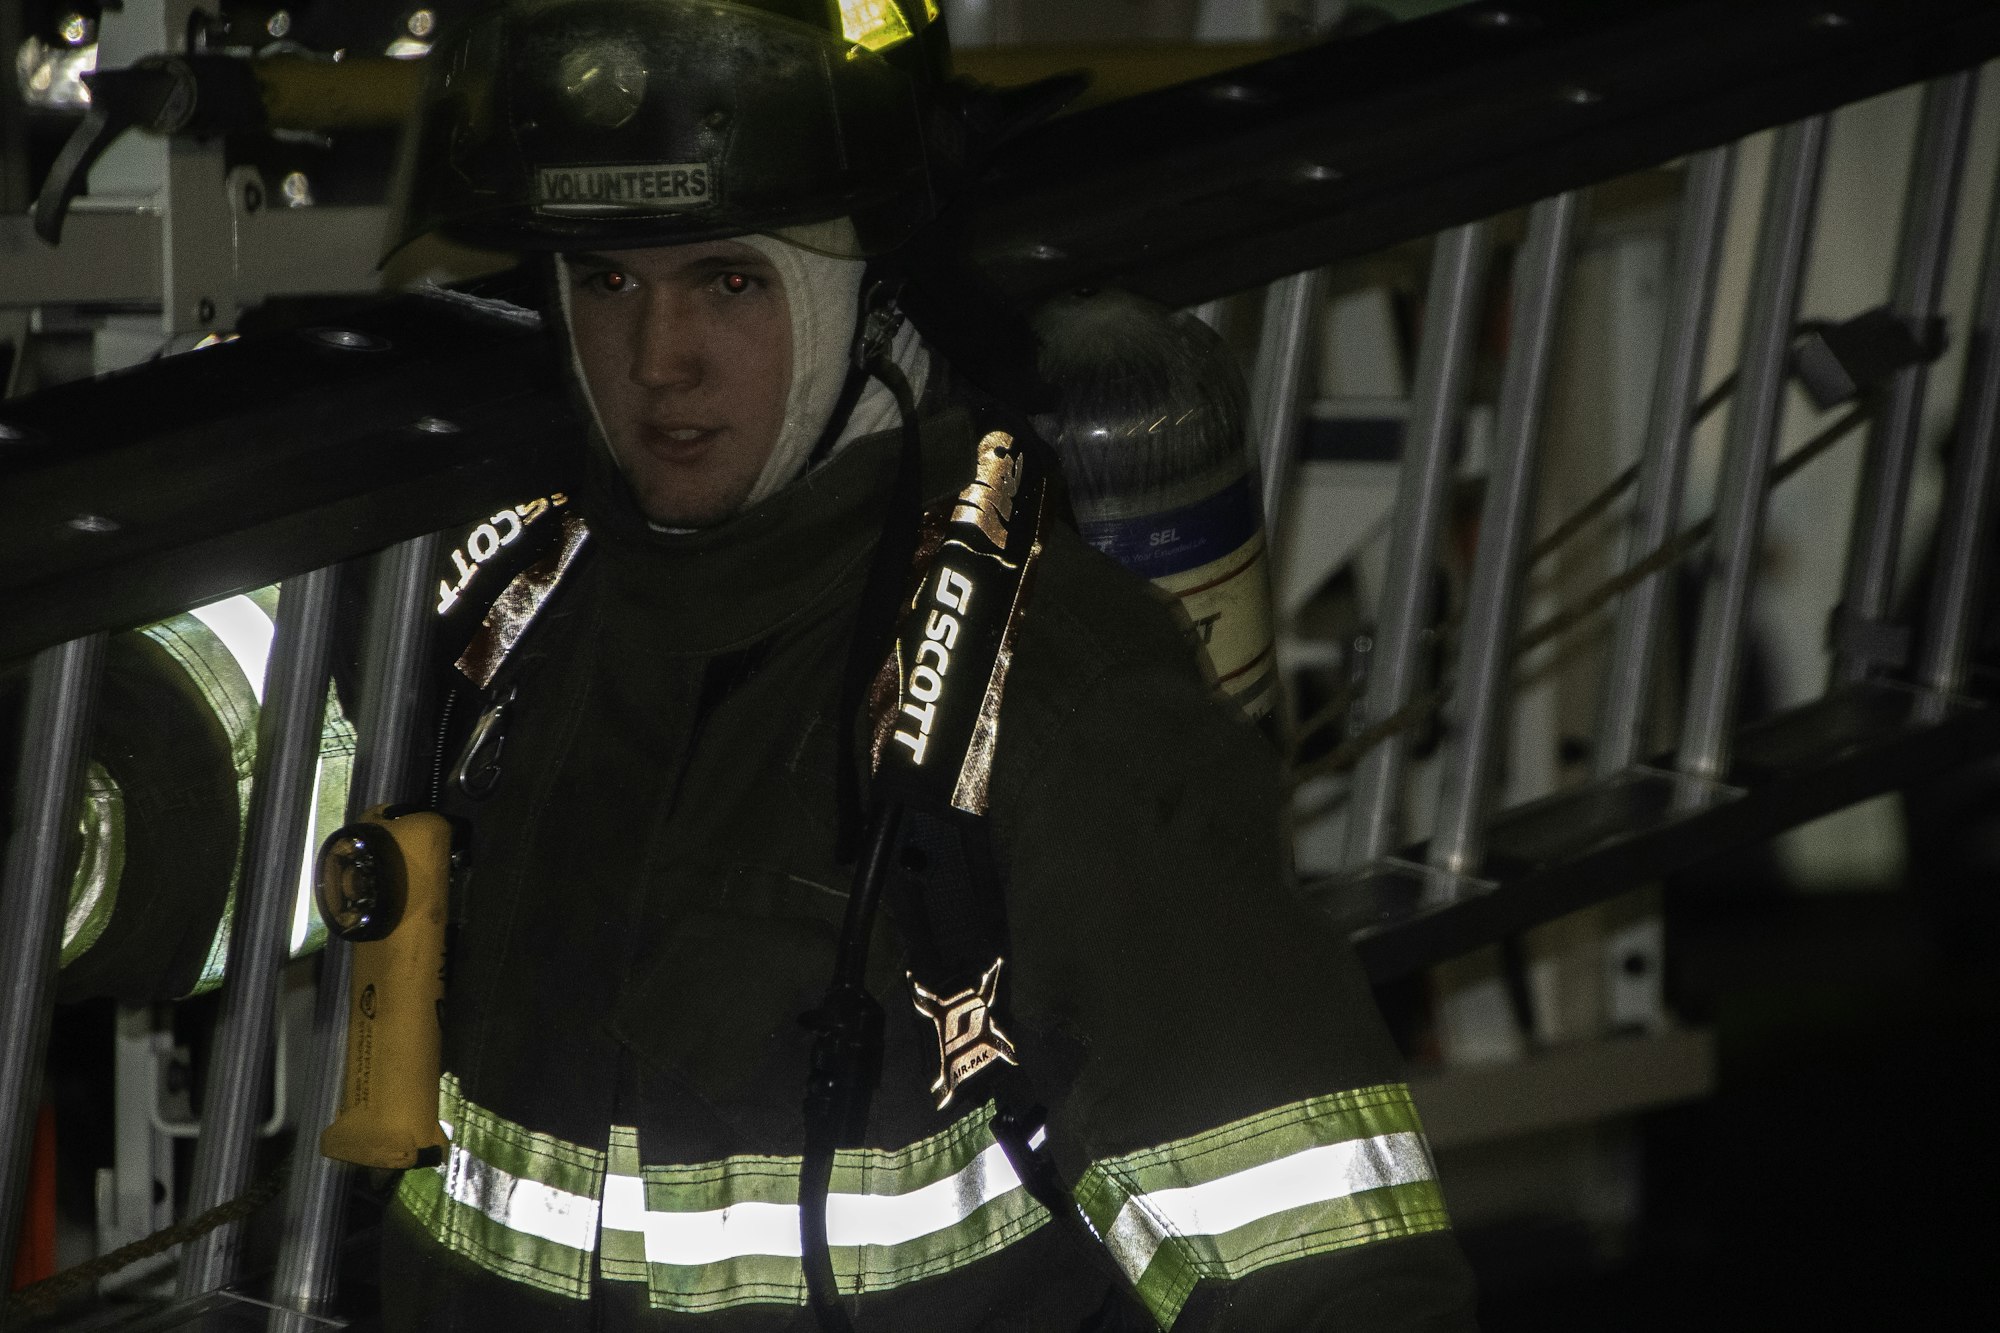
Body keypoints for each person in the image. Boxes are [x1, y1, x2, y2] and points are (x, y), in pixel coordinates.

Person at [378, 2, 1479, 1328]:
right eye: (608, 281)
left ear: (864, 291)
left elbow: (1328, 1277)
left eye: (728, 280)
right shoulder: (508, 620)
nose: (655, 362)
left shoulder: (1051, 687)